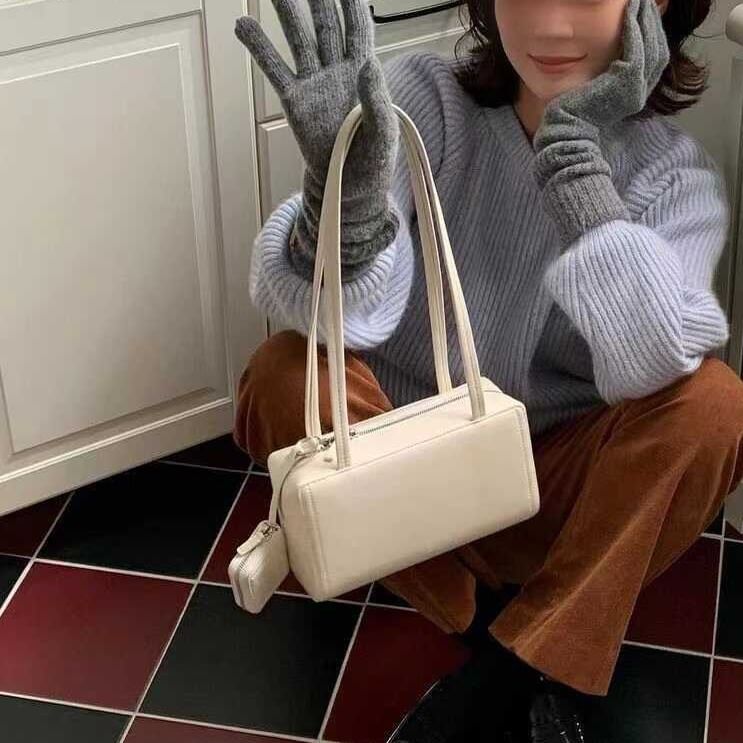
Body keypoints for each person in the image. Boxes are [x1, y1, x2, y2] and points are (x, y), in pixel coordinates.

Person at [232, 0, 743, 740]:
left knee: (716, 405)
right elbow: (330, 316)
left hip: (557, 498)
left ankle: (498, 672)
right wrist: (344, 210)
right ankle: (509, 634)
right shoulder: (423, 100)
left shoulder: (675, 177)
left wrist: (574, 159)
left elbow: (652, 360)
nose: (550, 25)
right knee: (282, 372)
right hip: (402, 476)